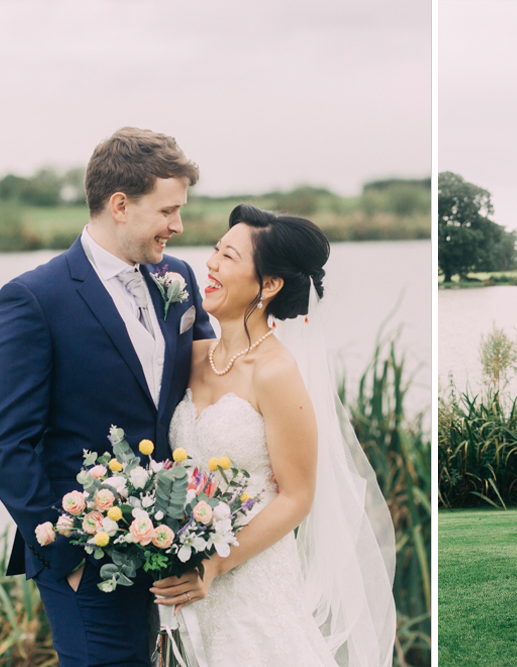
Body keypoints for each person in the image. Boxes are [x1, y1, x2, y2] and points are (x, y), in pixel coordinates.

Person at [0, 127, 213, 666]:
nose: (178, 226)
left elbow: (208, 381)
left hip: (174, 549)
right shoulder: (35, 298)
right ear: (120, 205)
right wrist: (67, 554)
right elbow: (6, 443)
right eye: (168, 211)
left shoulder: (176, 277)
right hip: (88, 561)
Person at [151, 204, 396, 666]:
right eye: (215, 251)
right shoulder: (194, 356)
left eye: (228, 257)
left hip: (252, 587)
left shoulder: (278, 373)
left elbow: (297, 497)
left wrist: (215, 564)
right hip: (190, 596)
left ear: (268, 285)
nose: (211, 264)